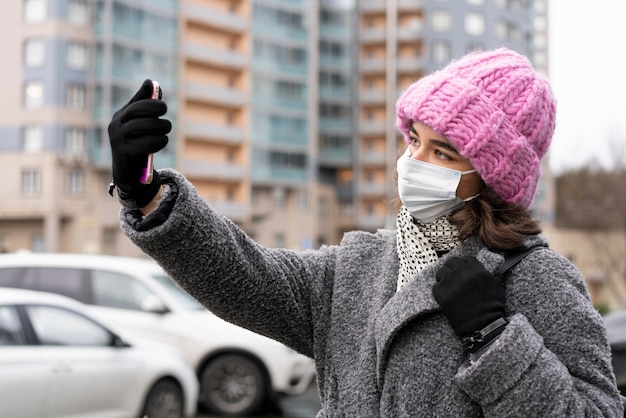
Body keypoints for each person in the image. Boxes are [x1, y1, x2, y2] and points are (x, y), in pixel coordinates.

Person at [108, 48, 623, 416]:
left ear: (491, 179)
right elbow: (242, 274)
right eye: (414, 140)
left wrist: (496, 342)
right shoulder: (360, 265)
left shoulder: (536, 279)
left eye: (442, 152)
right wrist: (146, 192)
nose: (412, 161)